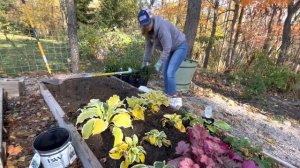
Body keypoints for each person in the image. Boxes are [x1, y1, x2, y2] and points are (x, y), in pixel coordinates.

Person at [138, 9, 188, 102]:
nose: (147, 26)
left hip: (180, 46)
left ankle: (173, 98)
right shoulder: (147, 32)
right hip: (170, 48)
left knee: (170, 72)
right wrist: (145, 62)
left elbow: (167, 48)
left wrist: (159, 62)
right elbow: (148, 47)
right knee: (164, 72)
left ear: (151, 19)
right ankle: (167, 94)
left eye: (148, 24)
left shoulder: (162, 28)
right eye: (144, 25)